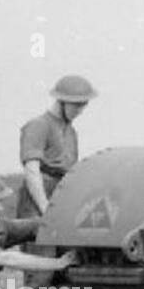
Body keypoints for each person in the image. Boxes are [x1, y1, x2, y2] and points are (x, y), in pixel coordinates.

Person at [18, 74, 96, 219]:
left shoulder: (70, 131)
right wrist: (44, 207)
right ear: (61, 102)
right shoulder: (39, 125)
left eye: (83, 105)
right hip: (38, 198)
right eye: (76, 105)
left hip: (60, 194)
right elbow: (32, 170)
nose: (80, 111)